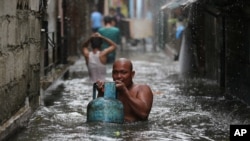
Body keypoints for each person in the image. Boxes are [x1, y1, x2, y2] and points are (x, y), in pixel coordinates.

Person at [96, 58, 153, 122]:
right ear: (112, 74)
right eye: (115, 72)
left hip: (135, 130)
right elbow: (99, 115)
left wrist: (125, 91)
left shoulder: (142, 89)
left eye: (123, 72)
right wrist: (100, 94)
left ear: (132, 74)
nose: (119, 76)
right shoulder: (110, 91)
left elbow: (144, 114)